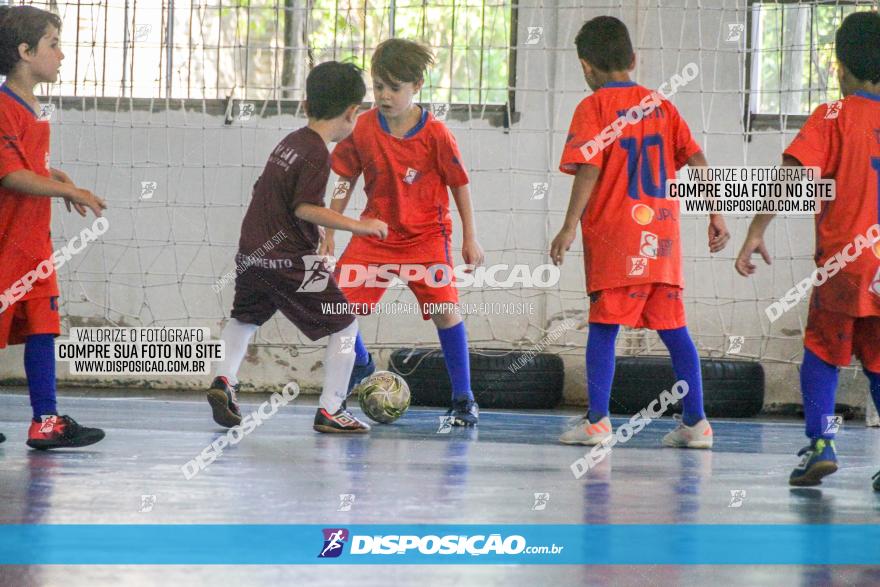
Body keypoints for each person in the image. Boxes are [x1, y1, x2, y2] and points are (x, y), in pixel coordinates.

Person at [550, 16, 729, 448]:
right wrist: (716, 214)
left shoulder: (592, 108)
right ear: (633, 59)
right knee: (675, 330)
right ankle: (697, 423)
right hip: (662, 242)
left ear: (585, 67)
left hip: (616, 239)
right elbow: (697, 158)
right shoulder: (662, 105)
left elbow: (589, 166)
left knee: (605, 327)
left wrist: (568, 225)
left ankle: (597, 421)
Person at [735, 11, 880, 488]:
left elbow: (795, 175)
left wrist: (757, 230)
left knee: (821, 350)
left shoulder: (833, 116)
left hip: (846, 262)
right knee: (878, 359)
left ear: (840, 68)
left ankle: (821, 443)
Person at [207, 61, 388, 434]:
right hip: (289, 259)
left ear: (306, 104)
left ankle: (224, 380)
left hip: (252, 253)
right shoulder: (318, 153)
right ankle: (331, 409)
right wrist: (359, 226)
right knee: (345, 324)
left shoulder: (289, 142)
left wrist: (310, 232)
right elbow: (304, 206)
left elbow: (266, 192)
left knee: (245, 317)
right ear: (353, 112)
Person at [320, 39, 484, 426]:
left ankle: (464, 400)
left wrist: (469, 237)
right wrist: (329, 226)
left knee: (446, 312)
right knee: (334, 306)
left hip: (426, 237)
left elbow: (460, 184)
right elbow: (345, 178)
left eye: (394, 88)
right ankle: (361, 366)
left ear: (417, 86)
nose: (384, 96)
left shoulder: (437, 135)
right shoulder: (361, 128)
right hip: (375, 234)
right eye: (378, 86)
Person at [0, 5, 107, 449]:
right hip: (7, 245)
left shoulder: (34, 106)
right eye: (53, 45)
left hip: (34, 245)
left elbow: (28, 164)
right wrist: (75, 193)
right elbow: (9, 175)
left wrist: (57, 178)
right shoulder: (4, 107)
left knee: (44, 326)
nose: (62, 55)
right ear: (25, 51)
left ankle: (46, 420)